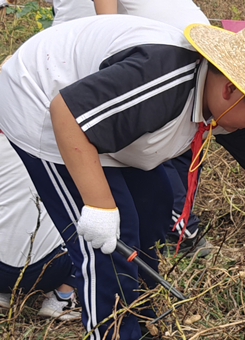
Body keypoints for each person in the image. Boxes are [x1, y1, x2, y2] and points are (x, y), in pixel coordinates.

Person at [0, 16, 245, 340]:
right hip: (47, 108)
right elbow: (67, 113)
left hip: (105, 121)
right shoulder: (164, 80)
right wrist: (100, 207)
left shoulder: (230, 108)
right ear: (231, 89)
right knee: (109, 240)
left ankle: (140, 320)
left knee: (154, 206)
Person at [52, 0, 214, 257]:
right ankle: (178, 226)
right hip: (132, 63)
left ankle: (181, 225)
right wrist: (108, 25)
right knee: (147, 152)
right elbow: (68, 112)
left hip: (186, 57)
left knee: (174, 154)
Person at [0, 132, 79, 321]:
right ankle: (62, 298)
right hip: (49, 269)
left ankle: (3, 293)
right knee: (98, 216)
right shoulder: (60, 141)